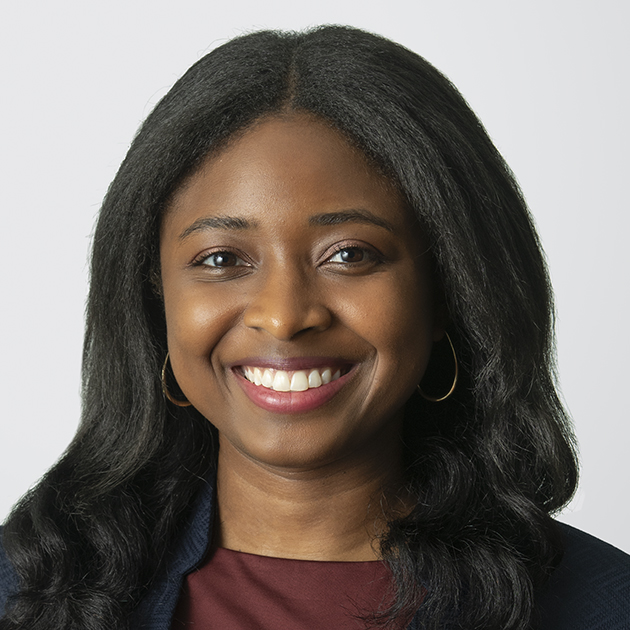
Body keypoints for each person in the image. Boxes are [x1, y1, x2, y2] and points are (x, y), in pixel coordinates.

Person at [1, 25, 629, 630]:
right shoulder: (23, 594)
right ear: (155, 298)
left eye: (349, 254)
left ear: (447, 291)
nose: (284, 315)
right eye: (221, 260)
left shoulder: (602, 608)